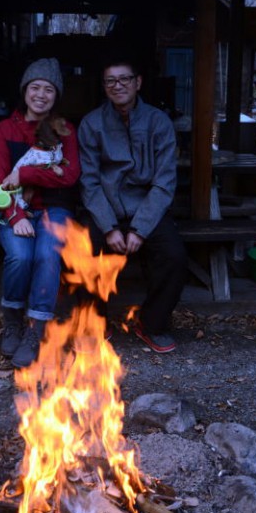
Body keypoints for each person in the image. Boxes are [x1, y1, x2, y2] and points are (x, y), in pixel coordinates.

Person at [77, 56, 188, 353]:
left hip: (147, 209)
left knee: (174, 255)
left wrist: (139, 229)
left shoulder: (158, 122)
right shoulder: (91, 124)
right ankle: (94, 321)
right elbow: (89, 181)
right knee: (83, 249)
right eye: (111, 80)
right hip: (107, 209)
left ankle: (151, 323)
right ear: (104, 87)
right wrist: (109, 226)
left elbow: (165, 181)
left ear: (138, 83)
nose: (118, 85)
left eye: (125, 79)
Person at [0, 57, 80, 368]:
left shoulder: (64, 129)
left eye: (49, 90)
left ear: (56, 96)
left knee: (47, 254)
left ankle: (36, 329)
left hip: (54, 207)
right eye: (35, 87)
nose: (41, 95)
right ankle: (12, 319)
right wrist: (15, 217)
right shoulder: (6, 129)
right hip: (14, 207)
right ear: (25, 90)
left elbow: (69, 176)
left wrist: (26, 174)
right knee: (20, 256)